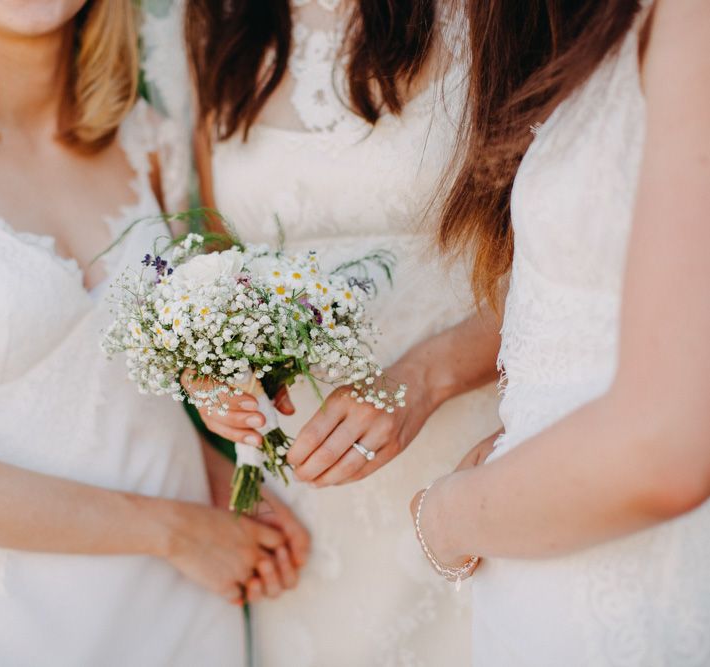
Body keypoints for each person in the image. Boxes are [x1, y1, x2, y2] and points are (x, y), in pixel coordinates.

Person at [0, 1, 307, 663]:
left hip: (186, 609)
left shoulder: (149, 139)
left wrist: (222, 476)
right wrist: (174, 531)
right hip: (20, 621)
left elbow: (144, 379)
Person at [186, 0, 501, 664]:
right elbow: (216, 252)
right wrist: (208, 372)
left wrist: (425, 375)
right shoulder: (218, 21)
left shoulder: (491, 18)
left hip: (467, 460)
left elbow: (565, 267)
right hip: (307, 502)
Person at [411, 1, 710, 664]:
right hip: (545, 568)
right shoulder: (604, 31)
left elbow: (662, 447)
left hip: (638, 585)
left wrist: (441, 516)